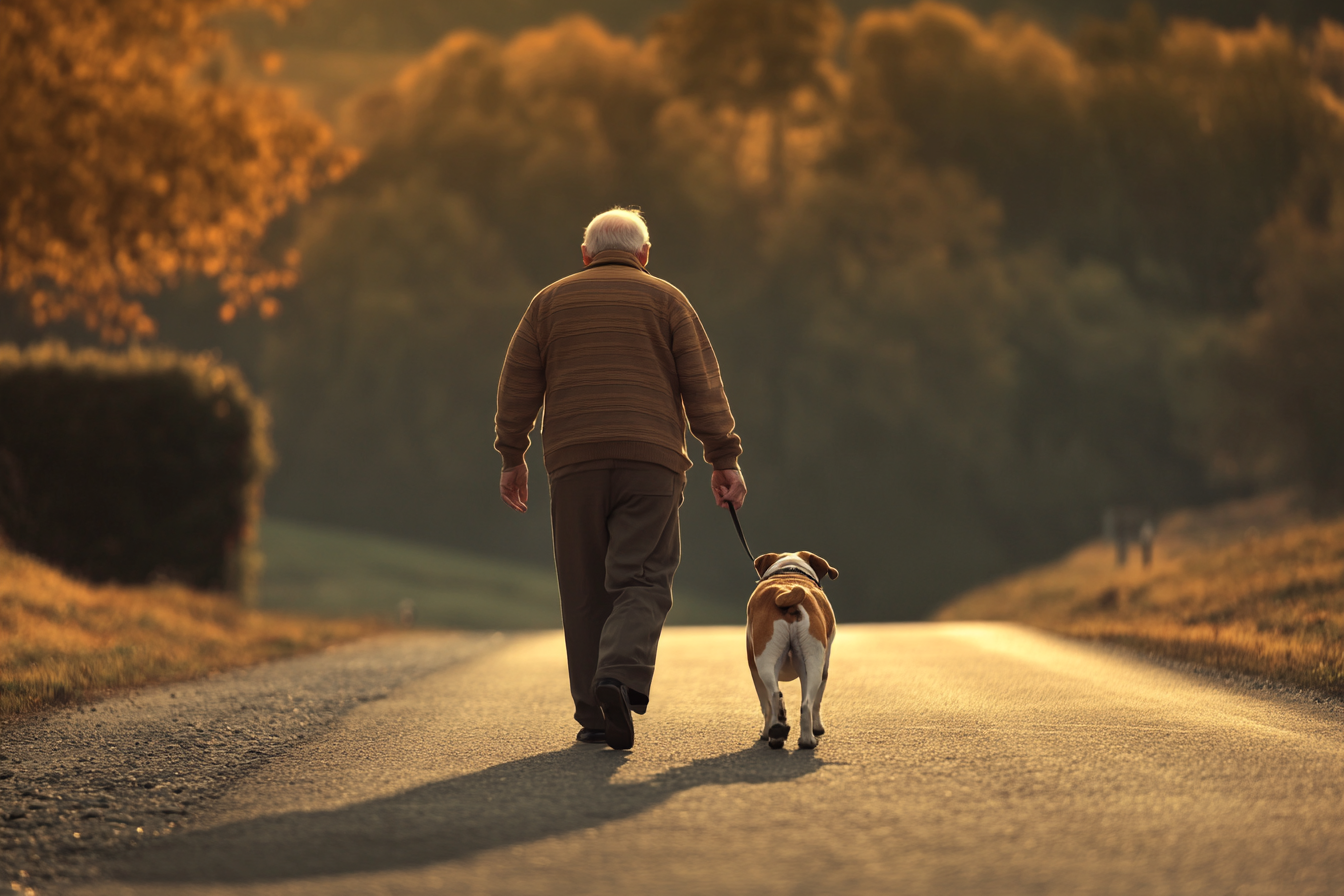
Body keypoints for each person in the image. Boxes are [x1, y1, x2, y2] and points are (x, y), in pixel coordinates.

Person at [494, 207, 746, 750]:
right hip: (651, 463)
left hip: (574, 463)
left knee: (583, 587)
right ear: (644, 255)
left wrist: (512, 453)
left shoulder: (549, 302)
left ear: (585, 255)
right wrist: (722, 456)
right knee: (644, 578)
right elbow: (702, 384)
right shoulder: (668, 300)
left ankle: (593, 712)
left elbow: (517, 383)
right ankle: (619, 675)